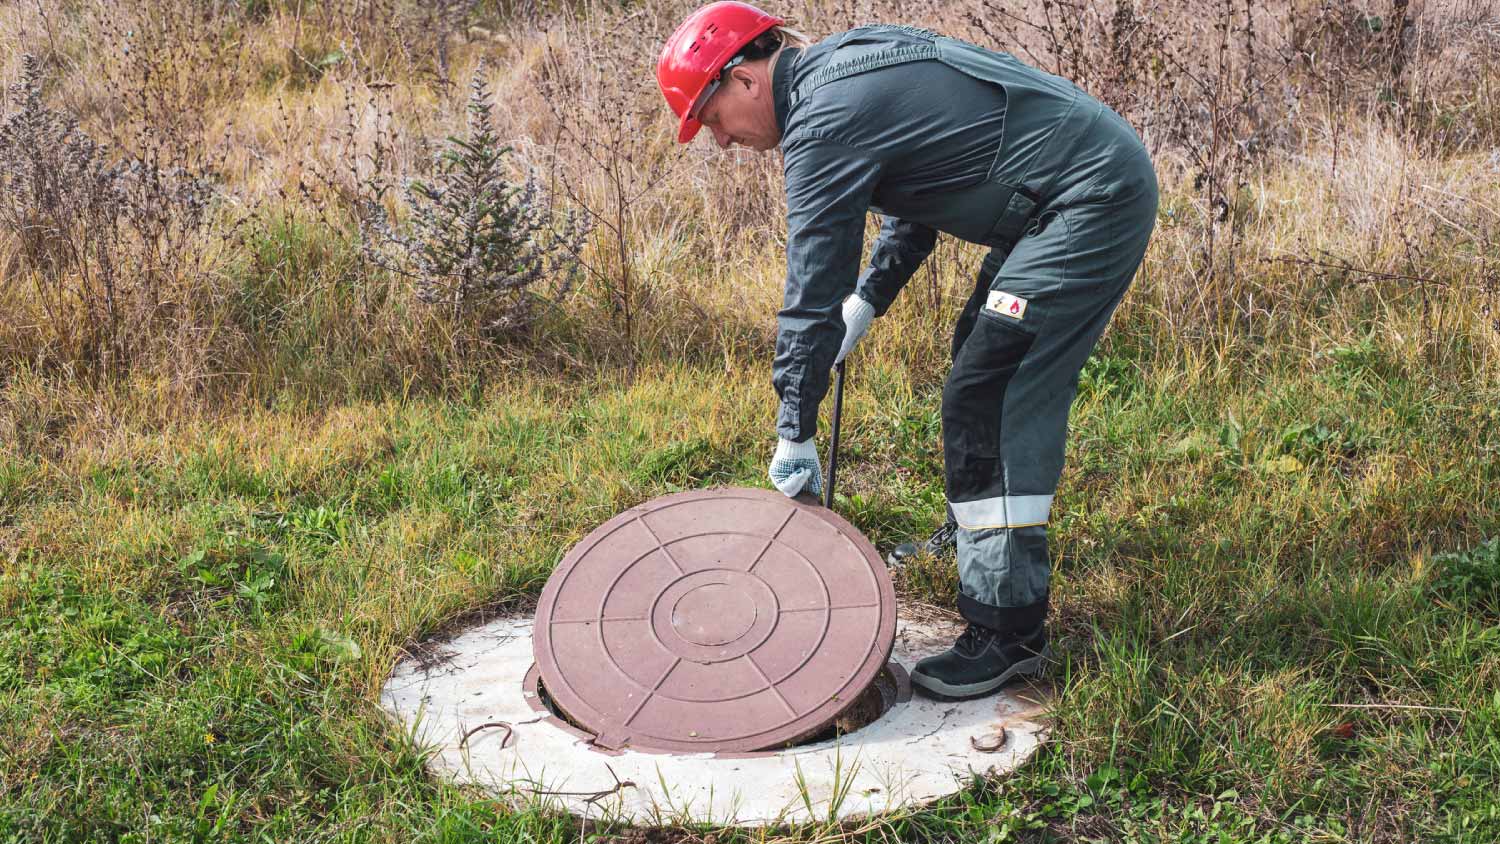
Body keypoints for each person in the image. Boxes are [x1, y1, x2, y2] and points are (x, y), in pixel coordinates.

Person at [656, 2, 1158, 700]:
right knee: (977, 351)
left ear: (742, 79)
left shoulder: (821, 121)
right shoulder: (840, 72)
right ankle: (975, 538)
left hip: (1088, 199)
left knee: (992, 389)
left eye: (711, 121)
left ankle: (1007, 631)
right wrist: (867, 302)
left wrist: (794, 427)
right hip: (1054, 201)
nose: (721, 142)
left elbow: (812, 281)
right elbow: (918, 196)